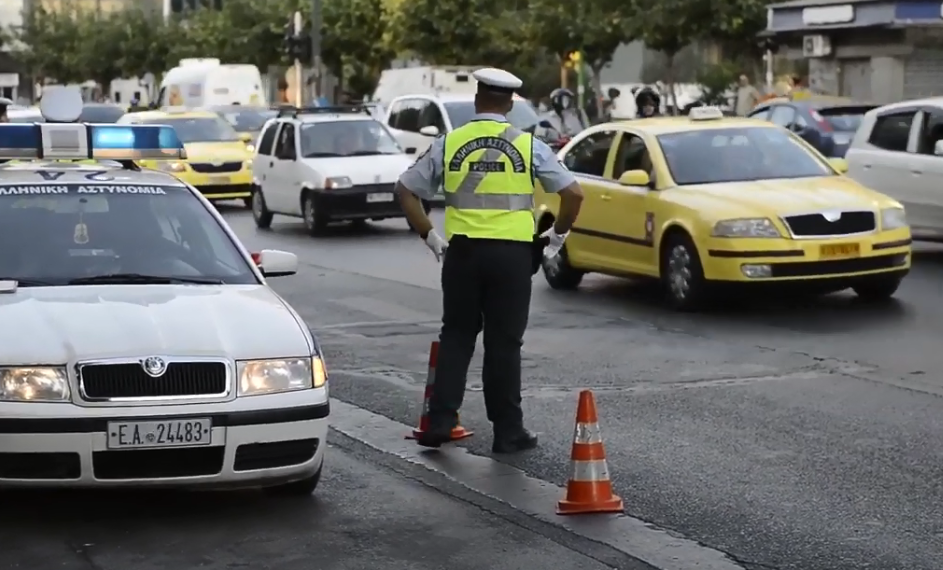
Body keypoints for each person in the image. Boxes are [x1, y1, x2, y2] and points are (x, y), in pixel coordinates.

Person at [396, 68, 584, 453]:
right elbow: (574, 194)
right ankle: (507, 431)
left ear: (477, 99)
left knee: (457, 336)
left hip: (463, 253)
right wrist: (557, 237)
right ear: (510, 103)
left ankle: (440, 423)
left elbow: (405, 189)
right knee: (504, 344)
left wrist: (431, 237)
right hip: (512, 257)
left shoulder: (450, 142)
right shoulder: (528, 145)